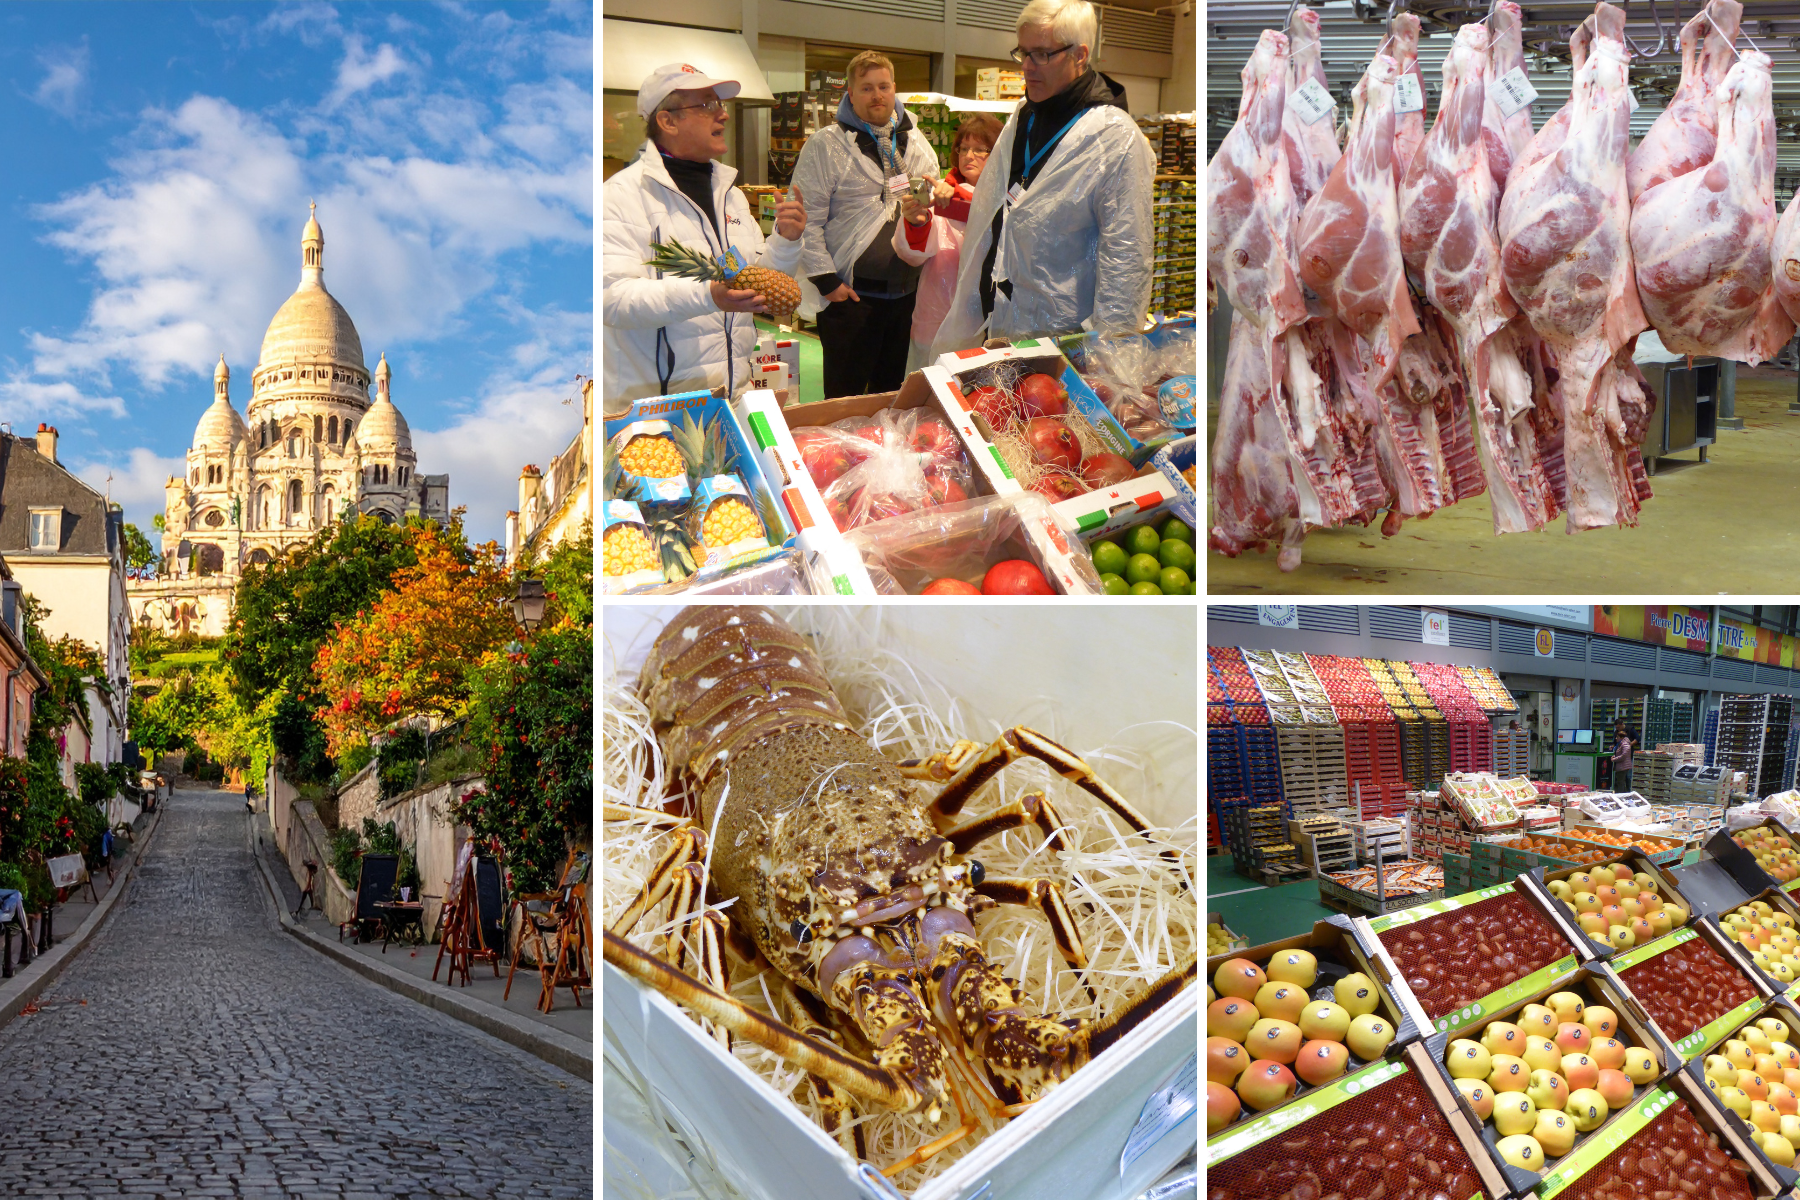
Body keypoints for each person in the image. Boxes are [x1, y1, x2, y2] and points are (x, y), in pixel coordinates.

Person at [932, 0, 1155, 358]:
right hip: (1000, 322)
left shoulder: (1115, 139)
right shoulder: (1024, 115)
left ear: (1080, 55)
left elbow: (1127, 261)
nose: (1027, 68)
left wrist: (1109, 361)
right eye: (1023, 52)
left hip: (1066, 341)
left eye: (1041, 55)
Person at [603, 64, 809, 404]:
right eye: (707, 106)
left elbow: (753, 282)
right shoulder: (621, 196)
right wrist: (707, 295)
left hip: (731, 397)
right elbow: (612, 299)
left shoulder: (731, 195)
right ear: (667, 121)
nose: (723, 116)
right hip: (656, 414)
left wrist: (785, 241)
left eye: (720, 105)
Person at [791, 51, 942, 398]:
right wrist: (829, 284)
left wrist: (923, 204)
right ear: (851, 93)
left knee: (893, 397)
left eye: (884, 87)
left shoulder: (912, 142)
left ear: (894, 89)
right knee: (845, 401)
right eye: (867, 88)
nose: (877, 95)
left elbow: (921, 198)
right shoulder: (825, 145)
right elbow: (806, 218)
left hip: (907, 299)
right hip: (852, 300)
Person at [891, 113, 1003, 373]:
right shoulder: (937, 195)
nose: (968, 156)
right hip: (934, 318)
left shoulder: (1008, 198)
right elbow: (913, 255)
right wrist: (916, 222)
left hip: (986, 321)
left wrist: (958, 198)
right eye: (963, 148)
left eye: (979, 150)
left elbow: (992, 219)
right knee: (928, 394)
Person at [1612, 720, 1634, 794]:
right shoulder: (1621, 744)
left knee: (1621, 782)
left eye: (1617, 737)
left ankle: (1621, 796)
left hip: (1623, 766)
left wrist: (1614, 759)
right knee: (1620, 782)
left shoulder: (1625, 745)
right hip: (1622, 766)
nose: (1616, 739)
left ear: (1621, 737)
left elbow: (1623, 756)